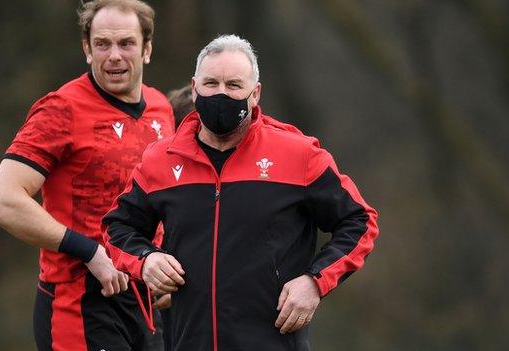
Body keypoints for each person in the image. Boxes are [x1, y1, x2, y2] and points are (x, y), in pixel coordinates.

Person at [101, 34, 379, 351]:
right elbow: (118, 226)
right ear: (194, 88)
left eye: (233, 85)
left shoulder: (299, 154)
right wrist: (146, 260)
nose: (221, 94)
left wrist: (314, 282)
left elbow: (359, 221)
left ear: (255, 93)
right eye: (211, 83)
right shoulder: (159, 160)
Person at [0, 1, 174, 350]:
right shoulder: (61, 110)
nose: (114, 55)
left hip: (144, 302)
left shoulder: (161, 109)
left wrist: (163, 265)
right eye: (102, 44)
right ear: (87, 49)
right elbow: (2, 201)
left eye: (126, 43)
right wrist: (90, 252)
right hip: (80, 302)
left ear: (147, 49)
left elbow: (162, 201)